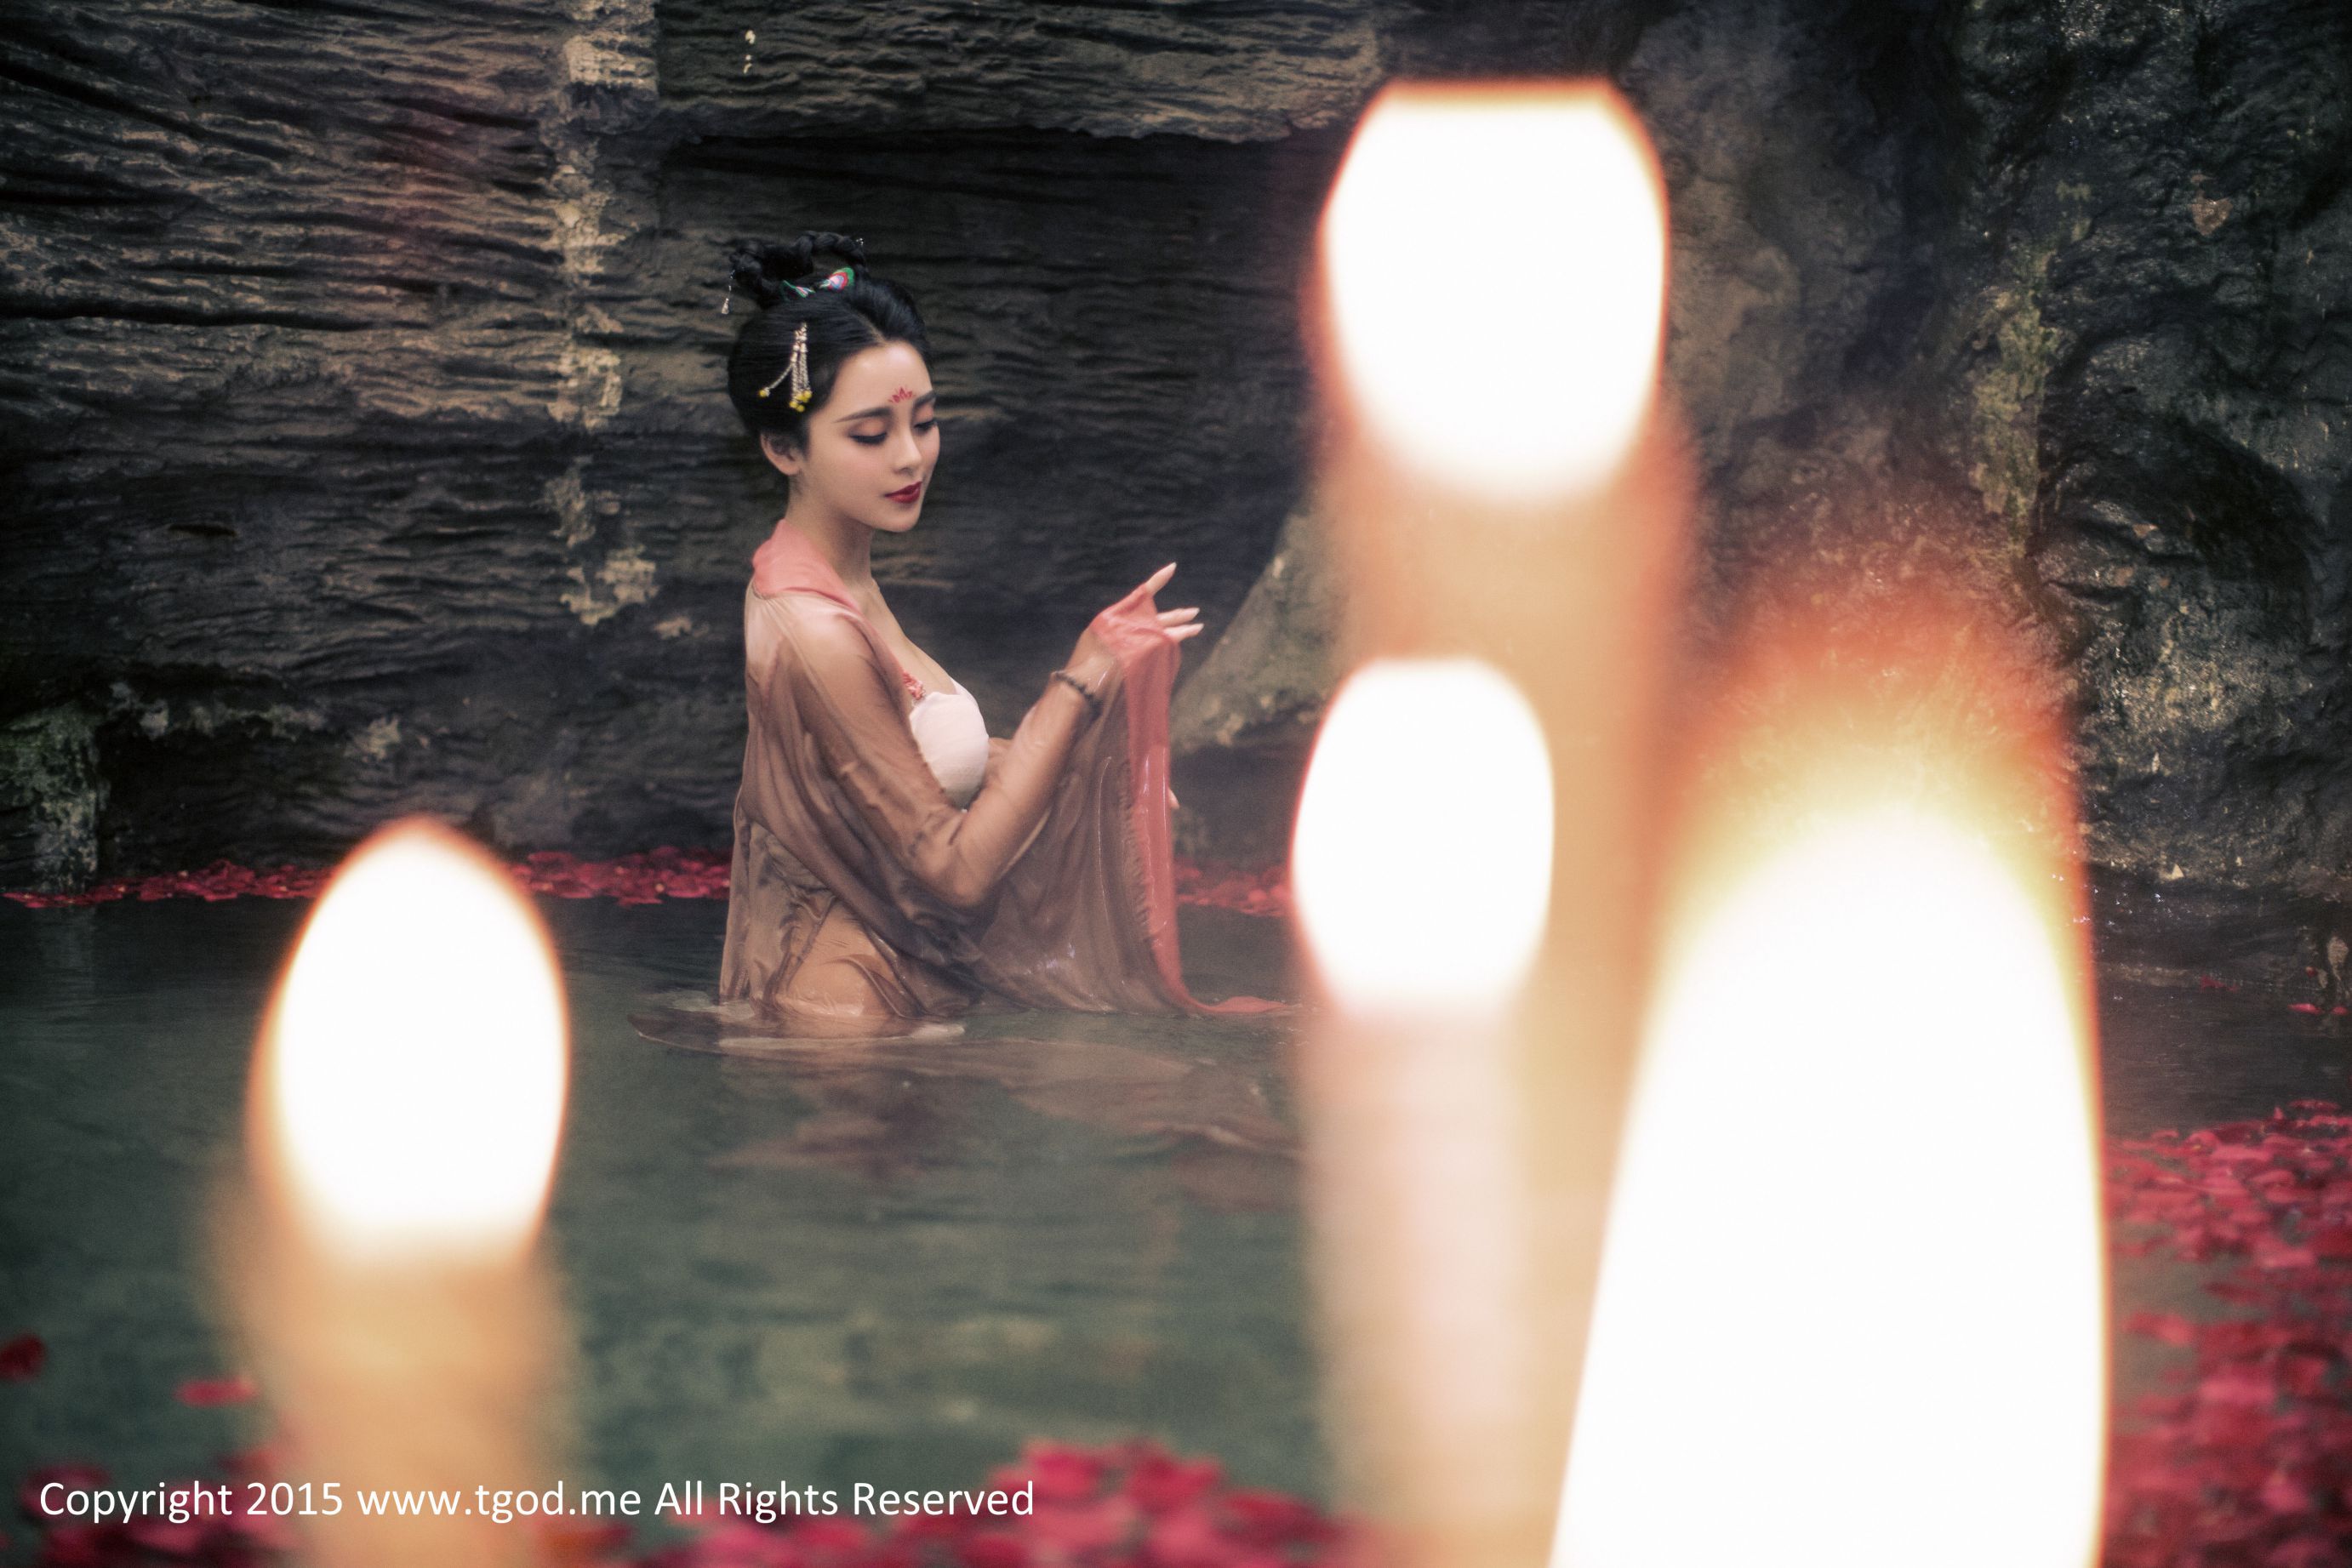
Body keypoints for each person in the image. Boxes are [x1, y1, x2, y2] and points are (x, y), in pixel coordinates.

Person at [715, 233, 1274, 1036]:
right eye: (870, 435)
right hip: (844, 1017)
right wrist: (1081, 684)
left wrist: (1086, 776)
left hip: (891, 988)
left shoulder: (833, 578)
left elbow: (908, 759)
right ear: (783, 448)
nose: (911, 457)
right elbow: (953, 874)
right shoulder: (815, 629)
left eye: (926, 421)